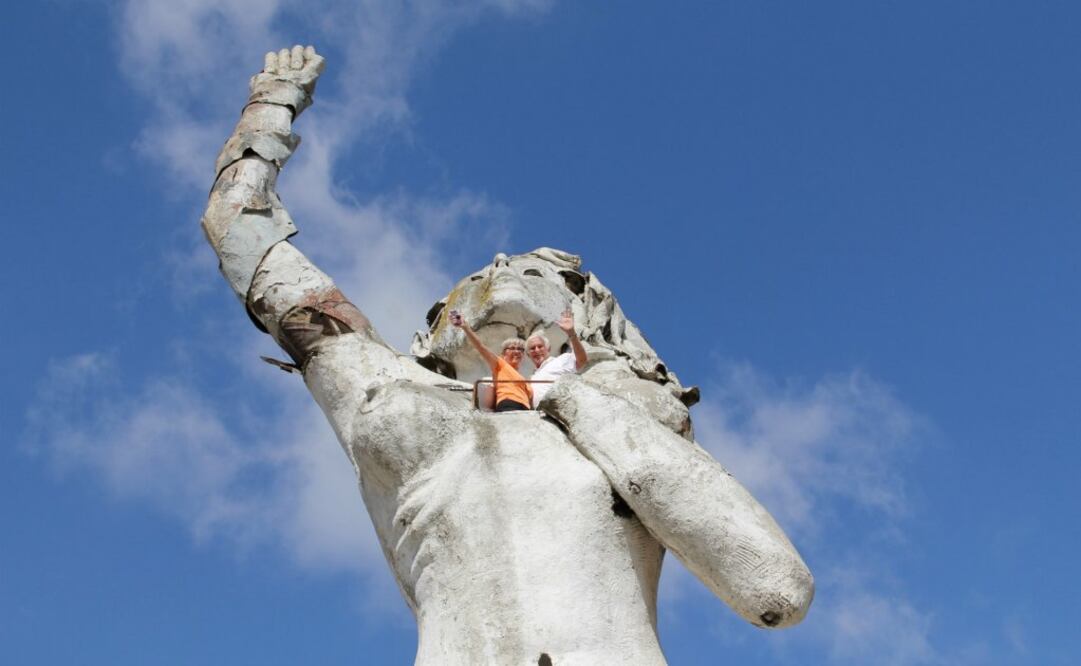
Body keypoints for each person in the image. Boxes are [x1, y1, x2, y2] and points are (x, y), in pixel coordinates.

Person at [199, 46, 813, 665]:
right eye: (469, 286)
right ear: (430, 341)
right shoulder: (388, 393)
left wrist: (571, 395)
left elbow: (774, 588)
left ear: (591, 315)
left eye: (535, 271)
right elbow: (239, 230)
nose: (500, 269)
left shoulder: (622, 414)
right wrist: (271, 106)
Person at [450, 309, 532, 411]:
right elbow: (480, 346)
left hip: (526, 410)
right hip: (509, 404)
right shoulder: (500, 364)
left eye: (520, 349)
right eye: (512, 348)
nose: (517, 351)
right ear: (503, 354)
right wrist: (465, 327)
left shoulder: (524, 378)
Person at [526, 308, 588, 407]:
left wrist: (571, 333)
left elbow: (582, 361)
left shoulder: (561, 360)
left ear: (548, 349)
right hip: (538, 417)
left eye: (540, 346)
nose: (537, 350)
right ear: (528, 355)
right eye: (532, 348)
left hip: (559, 411)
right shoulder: (532, 377)